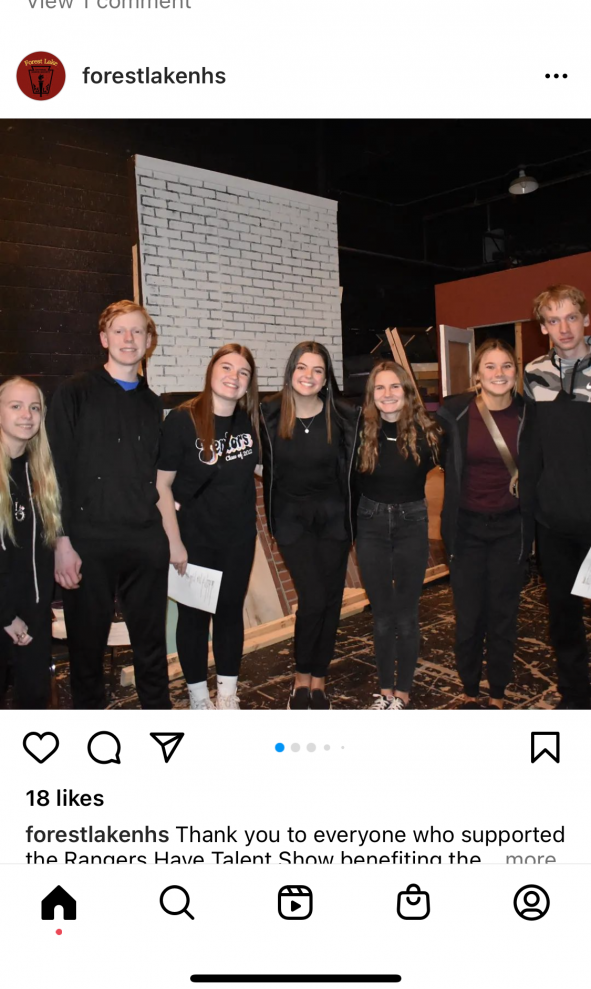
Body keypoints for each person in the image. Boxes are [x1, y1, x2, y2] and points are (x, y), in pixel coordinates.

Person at [46, 300, 171, 710]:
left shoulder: (153, 405)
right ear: (104, 338)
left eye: (137, 331)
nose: (128, 339)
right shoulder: (74, 393)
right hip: (88, 542)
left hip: (145, 540)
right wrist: (61, 542)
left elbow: (158, 474)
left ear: (149, 341)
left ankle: (162, 727)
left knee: (152, 648)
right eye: (119, 330)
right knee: (86, 652)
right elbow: (54, 471)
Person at [157, 344, 260, 710]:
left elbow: (262, 469)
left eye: (243, 372)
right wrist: (174, 542)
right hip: (194, 538)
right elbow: (162, 485)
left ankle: (228, 694)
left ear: (249, 383)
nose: (234, 376)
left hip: (239, 537)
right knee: (194, 617)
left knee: (230, 613)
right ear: (211, 371)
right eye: (226, 367)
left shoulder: (250, 421)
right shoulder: (182, 420)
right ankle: (199, 697)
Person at [260, 341, 360, 710]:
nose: (309, 375)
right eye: (302, 367)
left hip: (334, 519)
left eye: (318, 370)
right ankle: (301, 676)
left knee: (331, 600)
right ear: (290, 372)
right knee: (313, 597)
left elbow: (360, 465)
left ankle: (319, 678)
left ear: (326, 378)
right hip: (290, 520)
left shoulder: (345, 416)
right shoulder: (267, 413)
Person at [437, 339, 529, 709]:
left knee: (503, 614)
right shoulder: (454, 412)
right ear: (477, 375)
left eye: (506, 365)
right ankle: (471, 687)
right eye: (489, 366)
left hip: (511, 528)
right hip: (466, 530)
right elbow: (427, 450)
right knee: (469, 616)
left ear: (515, 373)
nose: (499, 373)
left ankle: (498, 691)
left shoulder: (530, 414)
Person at [355, 361, 442, 710]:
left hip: (411, 522)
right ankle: (385, 691)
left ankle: (402, 692)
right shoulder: (359, 432)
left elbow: (461, 469)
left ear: (407, 392)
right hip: (370, 523)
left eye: (395, 387)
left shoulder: (429, 433)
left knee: (406, 615)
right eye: (380, 387)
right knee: (381, 615)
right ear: (371, 394)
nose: (388, 394)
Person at [521, 284, 591, 709]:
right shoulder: (533, 374)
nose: (563, 327)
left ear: (586, 319)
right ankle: (576, 695)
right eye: (553, 320)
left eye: (571, 317)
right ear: (543, 327)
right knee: (564, 615)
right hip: (554, 523)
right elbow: (532, 448)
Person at [0, 378, 61, 709]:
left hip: (34, 616)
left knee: (34, 703)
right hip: (5, 614)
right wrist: (7, 617)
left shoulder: (41, 473)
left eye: (34, 408)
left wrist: (37, 613)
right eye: (16, 406)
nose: (27, 415)